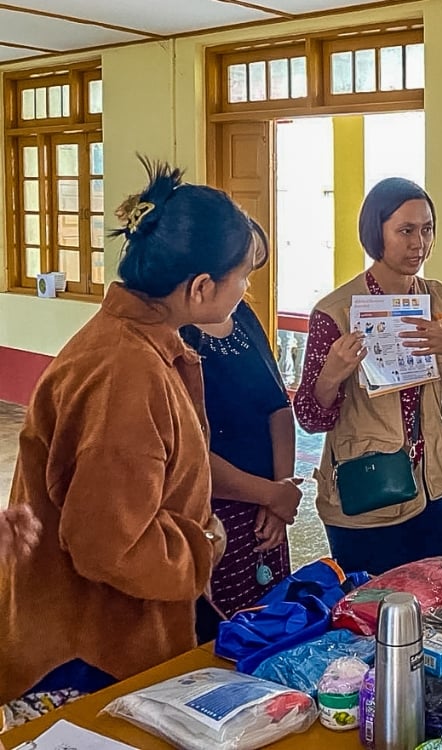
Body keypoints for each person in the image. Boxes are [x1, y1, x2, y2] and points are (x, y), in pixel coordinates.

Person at [0, 158, 262, 704]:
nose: (247, 291)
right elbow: (105, 546)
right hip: (90, 653)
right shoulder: (126, 372)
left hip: (100, 636)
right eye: (244, 277)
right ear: (201, 287)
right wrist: (202, 546)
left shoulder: (137, 345)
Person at [293, 177, 442, 575]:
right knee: (373, 615)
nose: (418, 243)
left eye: (427, 229)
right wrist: (331, 375)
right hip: (369, 491)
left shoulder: (440, 300)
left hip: (440, 487)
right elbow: (310, 417)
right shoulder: (335, 312)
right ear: (376, 232)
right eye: (405, 231)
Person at [181, 299, 302, 618]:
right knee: (219, 635)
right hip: (211, 514)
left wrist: (281, 490)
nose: (246, 283)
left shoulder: (243, 313)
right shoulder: (173, 331)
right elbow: (187, 452)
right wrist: (273, 495)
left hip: (266, 513)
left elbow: (277, 405)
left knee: (272, 623)